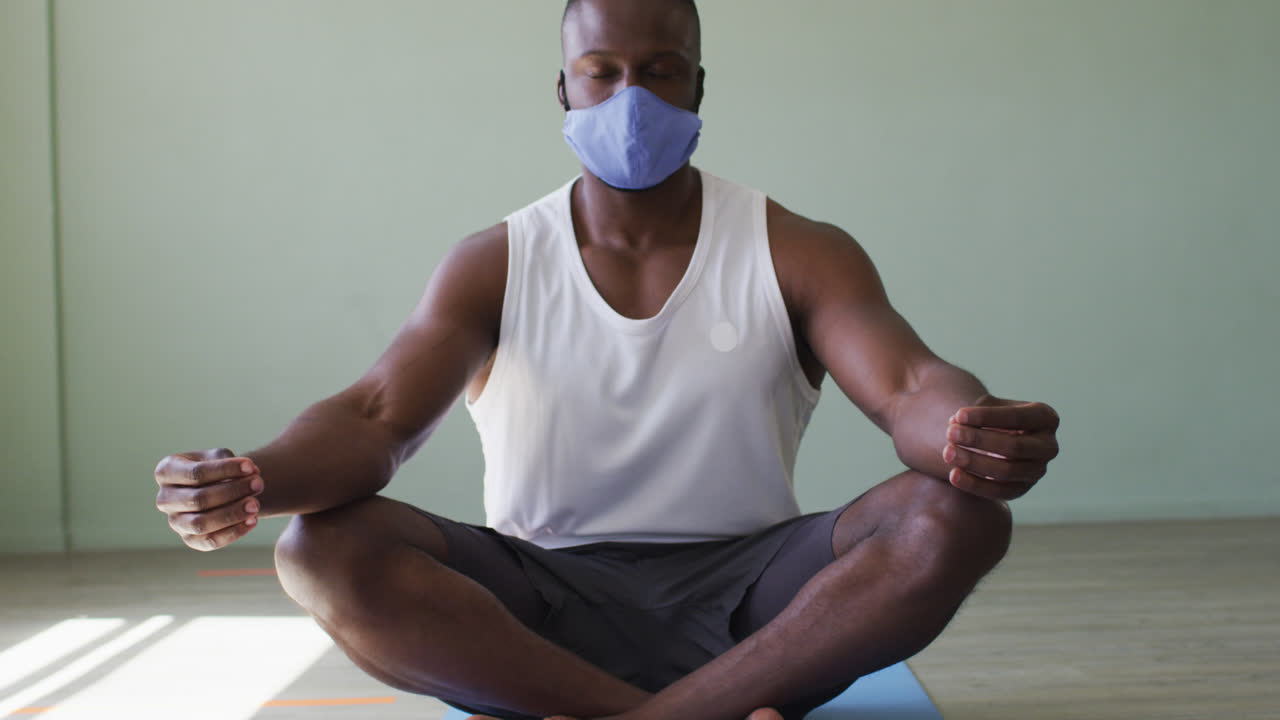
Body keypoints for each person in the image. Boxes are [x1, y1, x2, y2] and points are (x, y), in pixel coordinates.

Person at [154, 1, 1060, 718]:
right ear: (565, 91)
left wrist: (967, 430)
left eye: (662, 73)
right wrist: (251, 476)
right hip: (532, 611)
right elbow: (373, 419)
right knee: (321, 547)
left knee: (958, 518)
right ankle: (692, 713)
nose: (635, 98)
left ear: (699, 86)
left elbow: (909, 386)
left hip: (757, 606)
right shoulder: (494, 262)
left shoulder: (797, 249)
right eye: (605, 73)